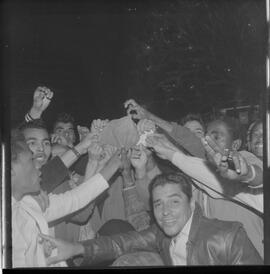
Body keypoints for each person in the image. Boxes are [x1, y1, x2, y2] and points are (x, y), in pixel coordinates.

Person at [40, 172, 262, 266]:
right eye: (158, 204)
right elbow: (120, 243)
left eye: (174, 201)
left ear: (191, 203)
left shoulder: (229, 236)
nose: (165, 211)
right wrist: (74, 248)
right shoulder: (161, 233)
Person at [11, 128, 124, 267]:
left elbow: (76, 199)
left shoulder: (30, 203)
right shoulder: (9, 218)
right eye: (30, 161)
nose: (38, 168)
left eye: (45, 143)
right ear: (10, 171)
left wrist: (112, 164)